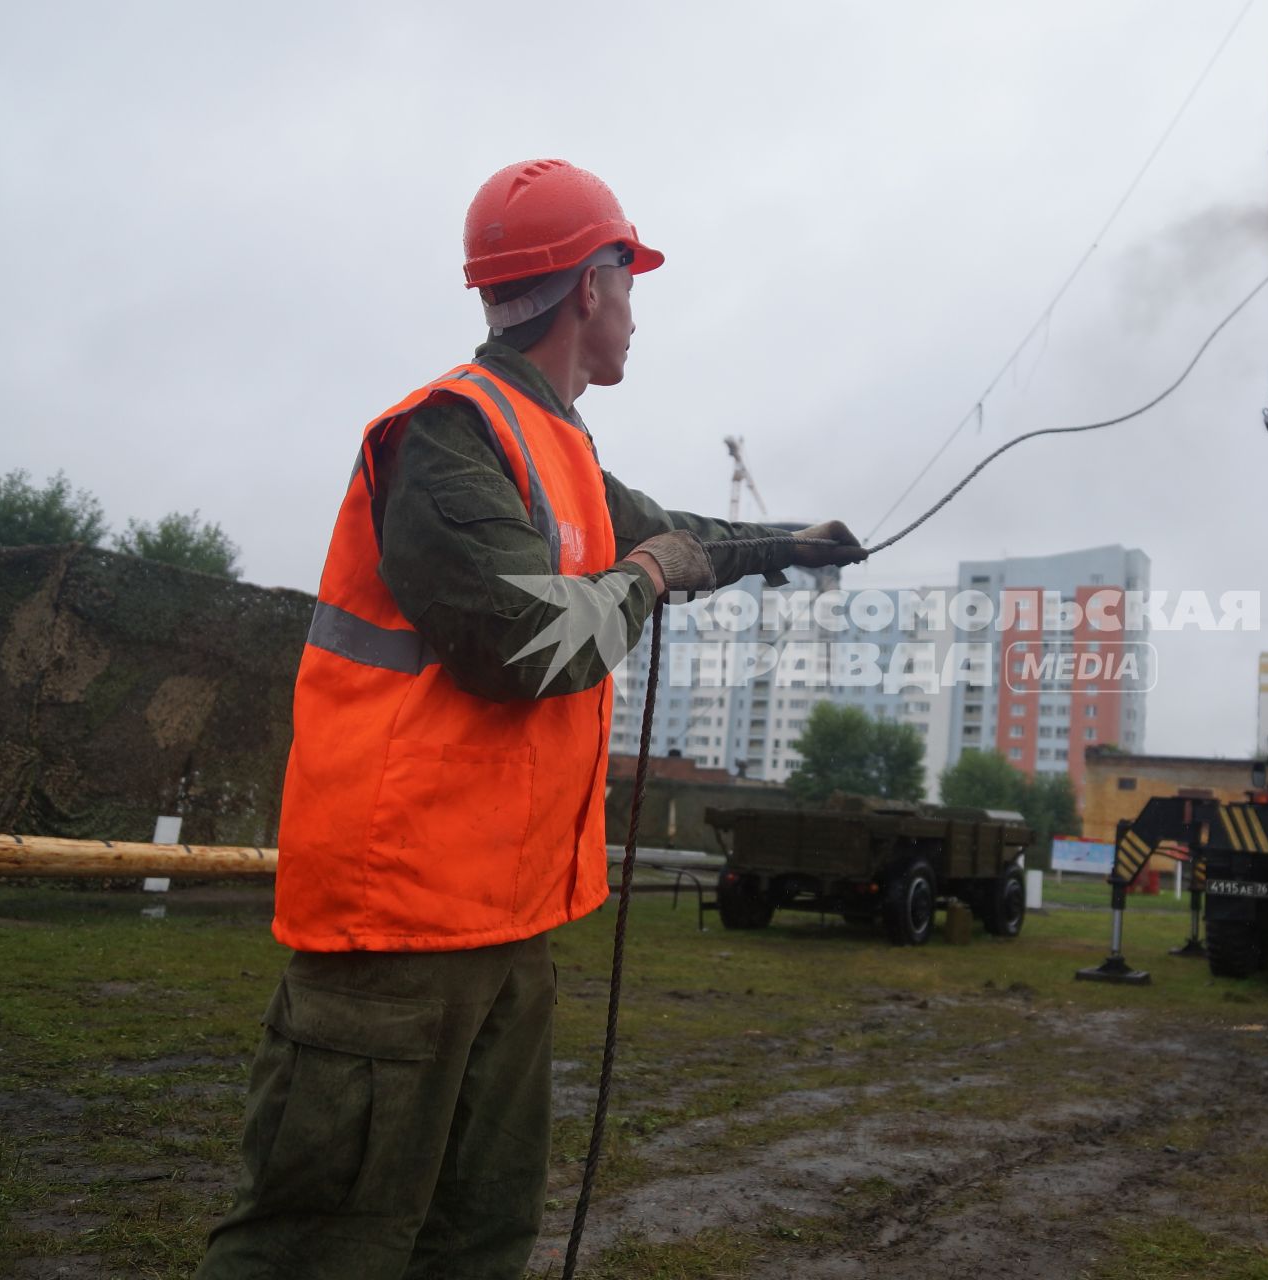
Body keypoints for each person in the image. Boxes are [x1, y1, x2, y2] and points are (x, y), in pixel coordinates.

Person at [196, 158, 864, 1279]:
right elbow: (531, 646)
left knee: (479, 1242)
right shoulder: (450, 435)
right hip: (396, 937)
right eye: (631, 284)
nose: (638, 314)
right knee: (321, 1249)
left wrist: (792, 542)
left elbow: (678, 530)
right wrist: (648, 576)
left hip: (506, 930)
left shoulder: (560, 449)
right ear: (591, 286)